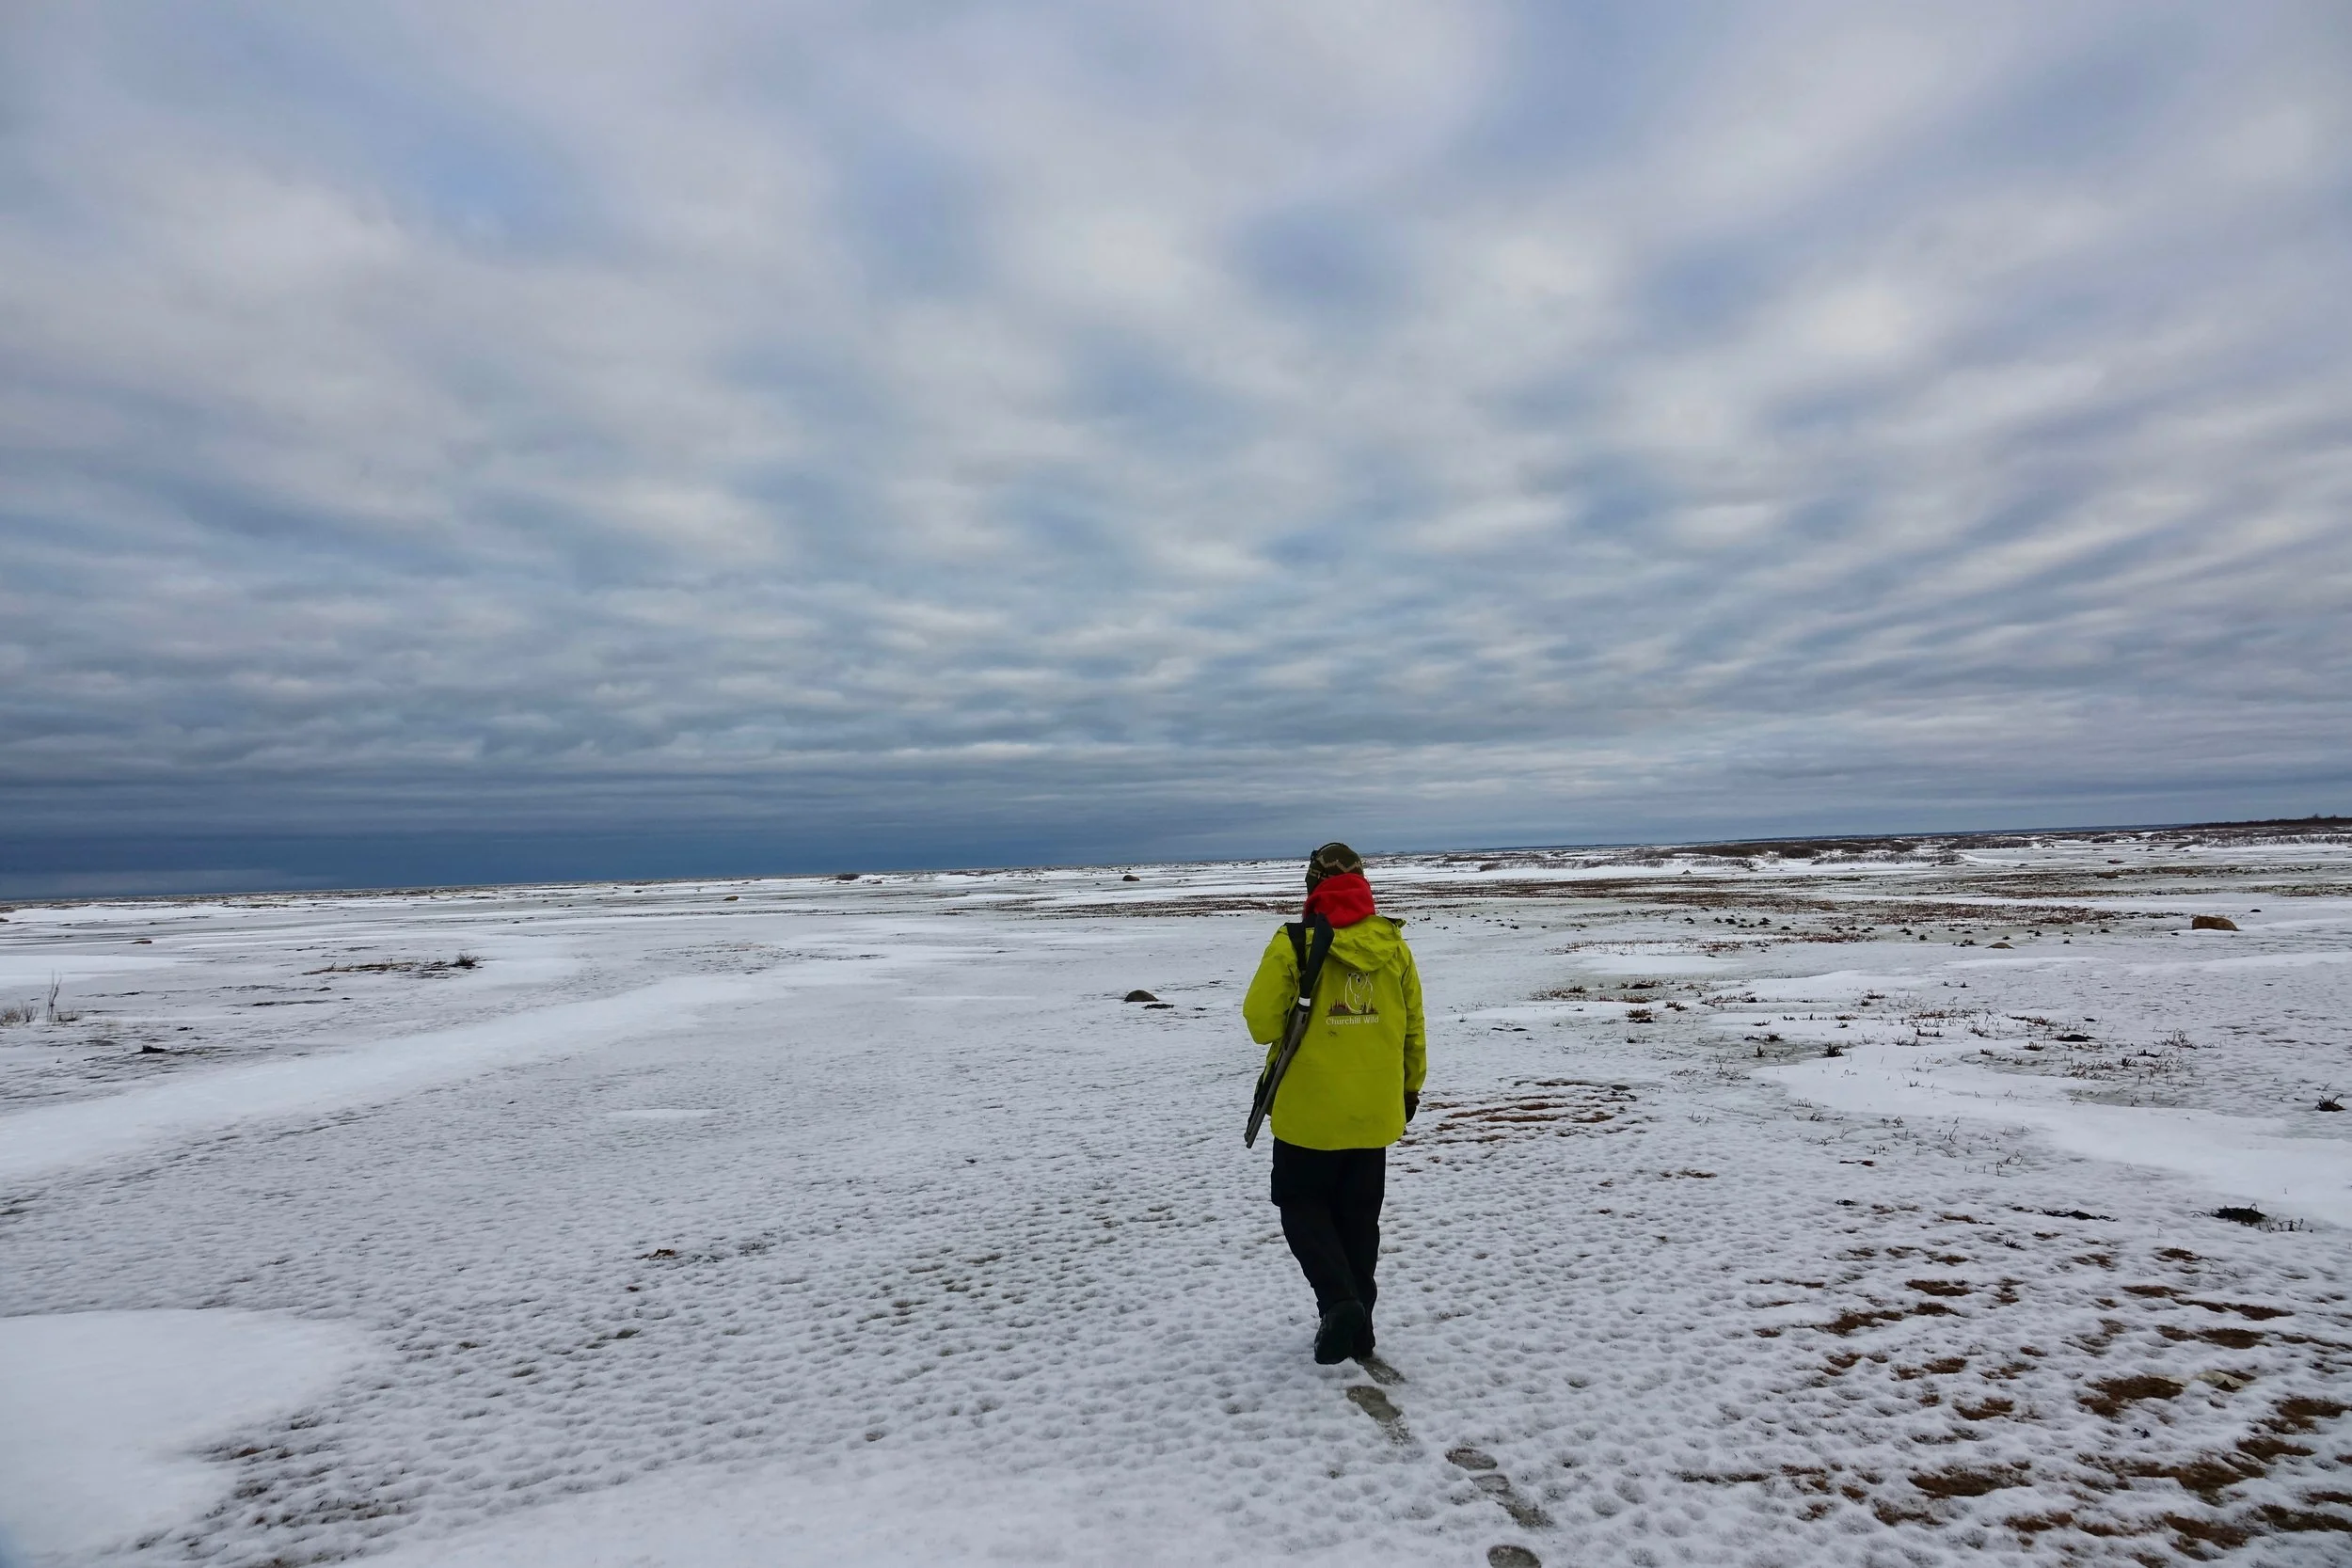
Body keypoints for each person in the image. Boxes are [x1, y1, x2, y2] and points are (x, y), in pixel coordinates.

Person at [1243, 843, 1426, 1364]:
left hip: (1308, 1113)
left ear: (1312, 886)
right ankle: (1360, 1328)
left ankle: (1340, 1303)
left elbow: (1260, 1025)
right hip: (1376, 1110)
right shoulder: (1393, 945)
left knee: (1300, 1205)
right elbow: (1414, 1028)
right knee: (1358, 1219)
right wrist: (1410, 1088)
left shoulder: (1294, 942)